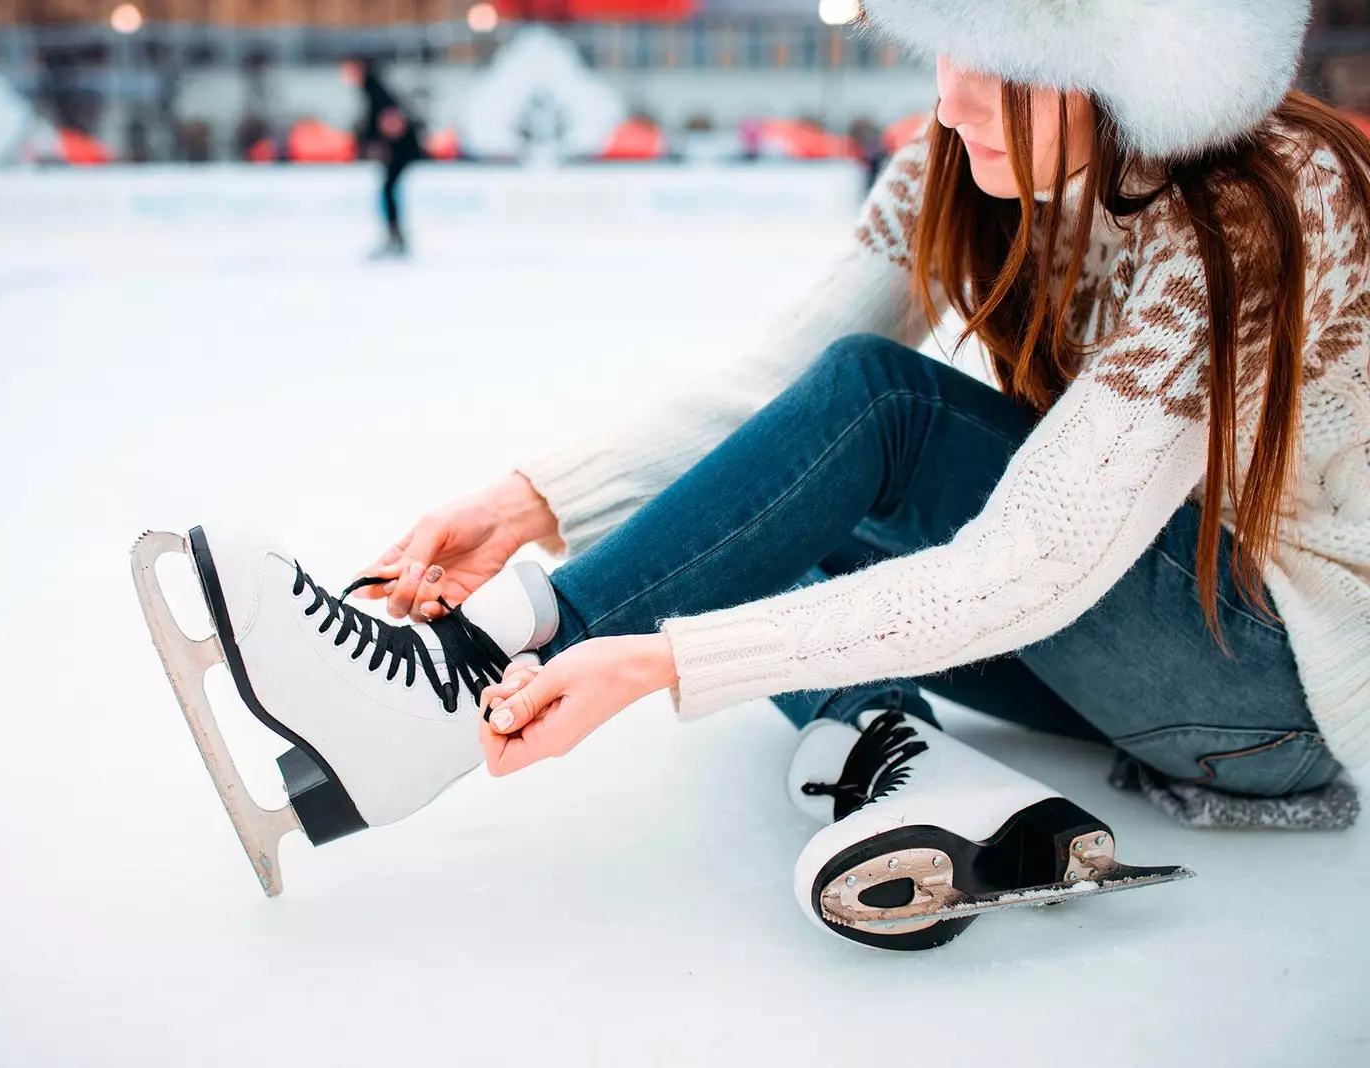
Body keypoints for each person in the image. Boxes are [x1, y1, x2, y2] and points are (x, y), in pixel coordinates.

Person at [154, 1, 1370, 946]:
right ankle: (894, 755)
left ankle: (439, 699)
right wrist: (528, 502)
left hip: (1275, 692)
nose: (953, 98)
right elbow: (772, 405)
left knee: (884, 409)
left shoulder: (1264, 205)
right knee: (779, 509)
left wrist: (668, 661)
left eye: (1009, 58)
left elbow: (1032, 555)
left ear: (1138, 66)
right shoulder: (959, 161)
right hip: (1132, 645)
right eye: (946, 43)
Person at [342, 55, 423, 259]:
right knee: (388, 190)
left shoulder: (374, 89)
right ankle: (394, 237)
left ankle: (395, 239)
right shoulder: (372, 88)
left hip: (401, 150)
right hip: (398, 149)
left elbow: (393, 121)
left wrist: (381, 143)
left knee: (388, 190)